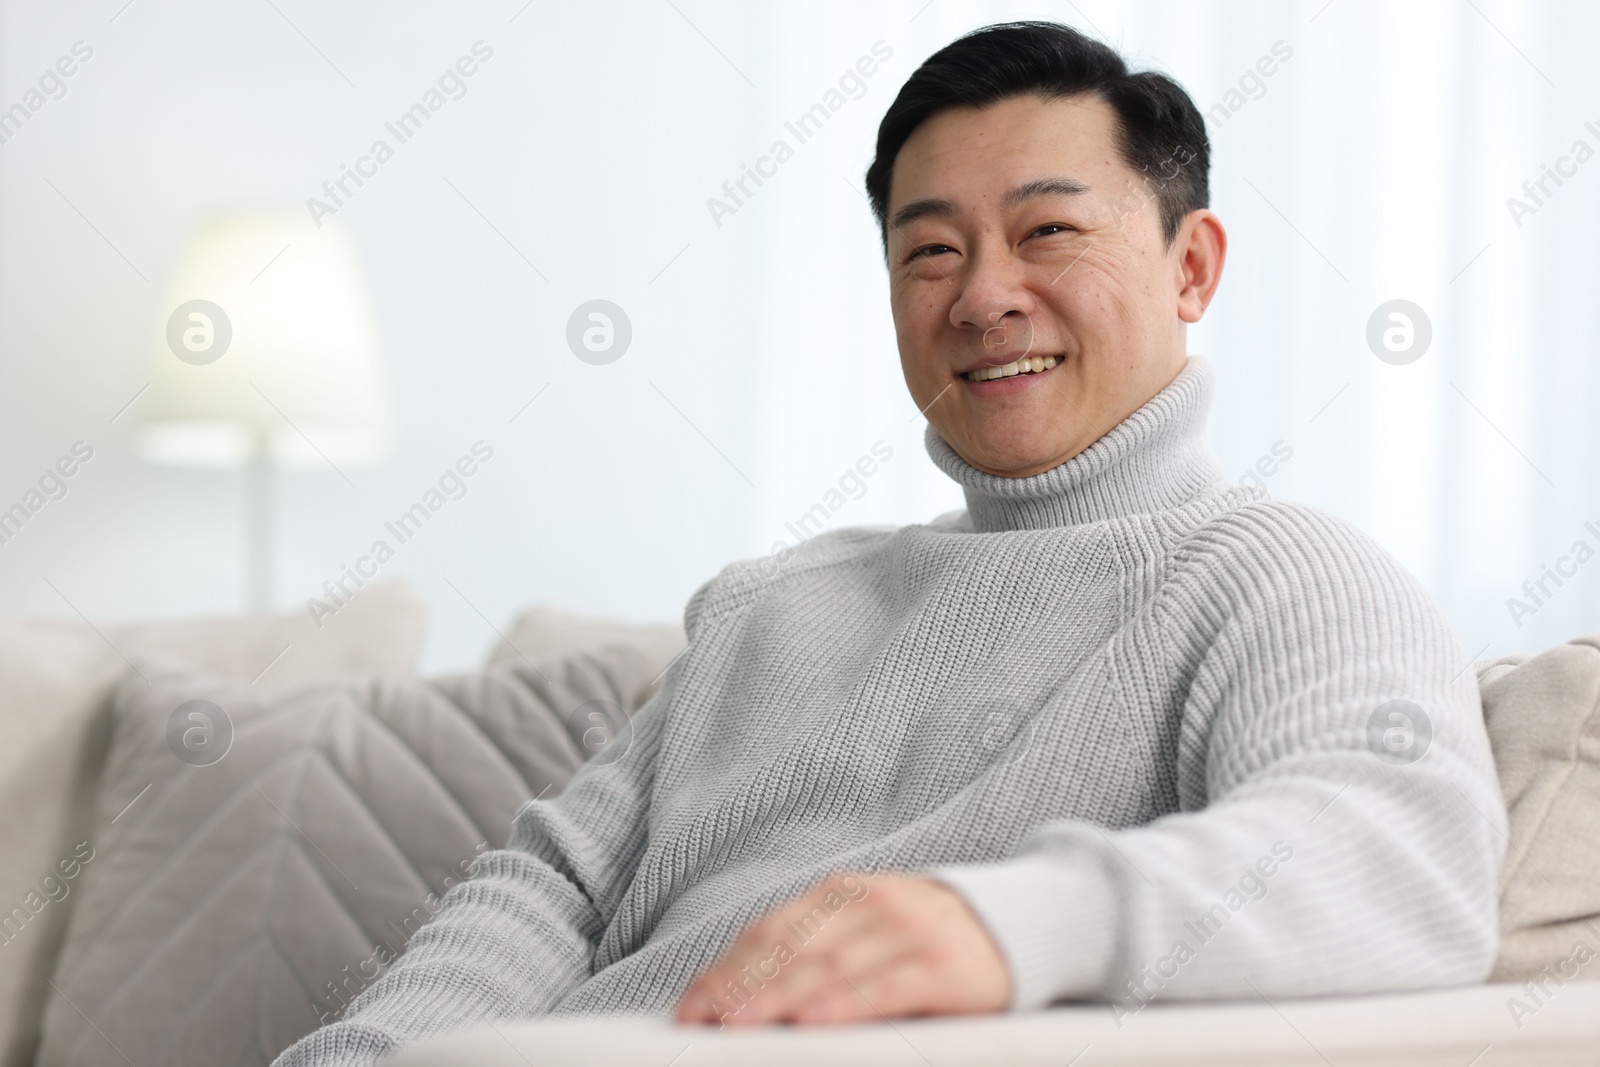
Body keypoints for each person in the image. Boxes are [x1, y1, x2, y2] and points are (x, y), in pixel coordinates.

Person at [275, 20, 1504, 1066]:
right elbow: (552, 886)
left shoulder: (1285, 574)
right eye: (929, 250)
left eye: (1049, 232)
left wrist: (1005, 925)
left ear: (1192, 266)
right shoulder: (772, 602)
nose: (980, 295)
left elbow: (1397, 855)